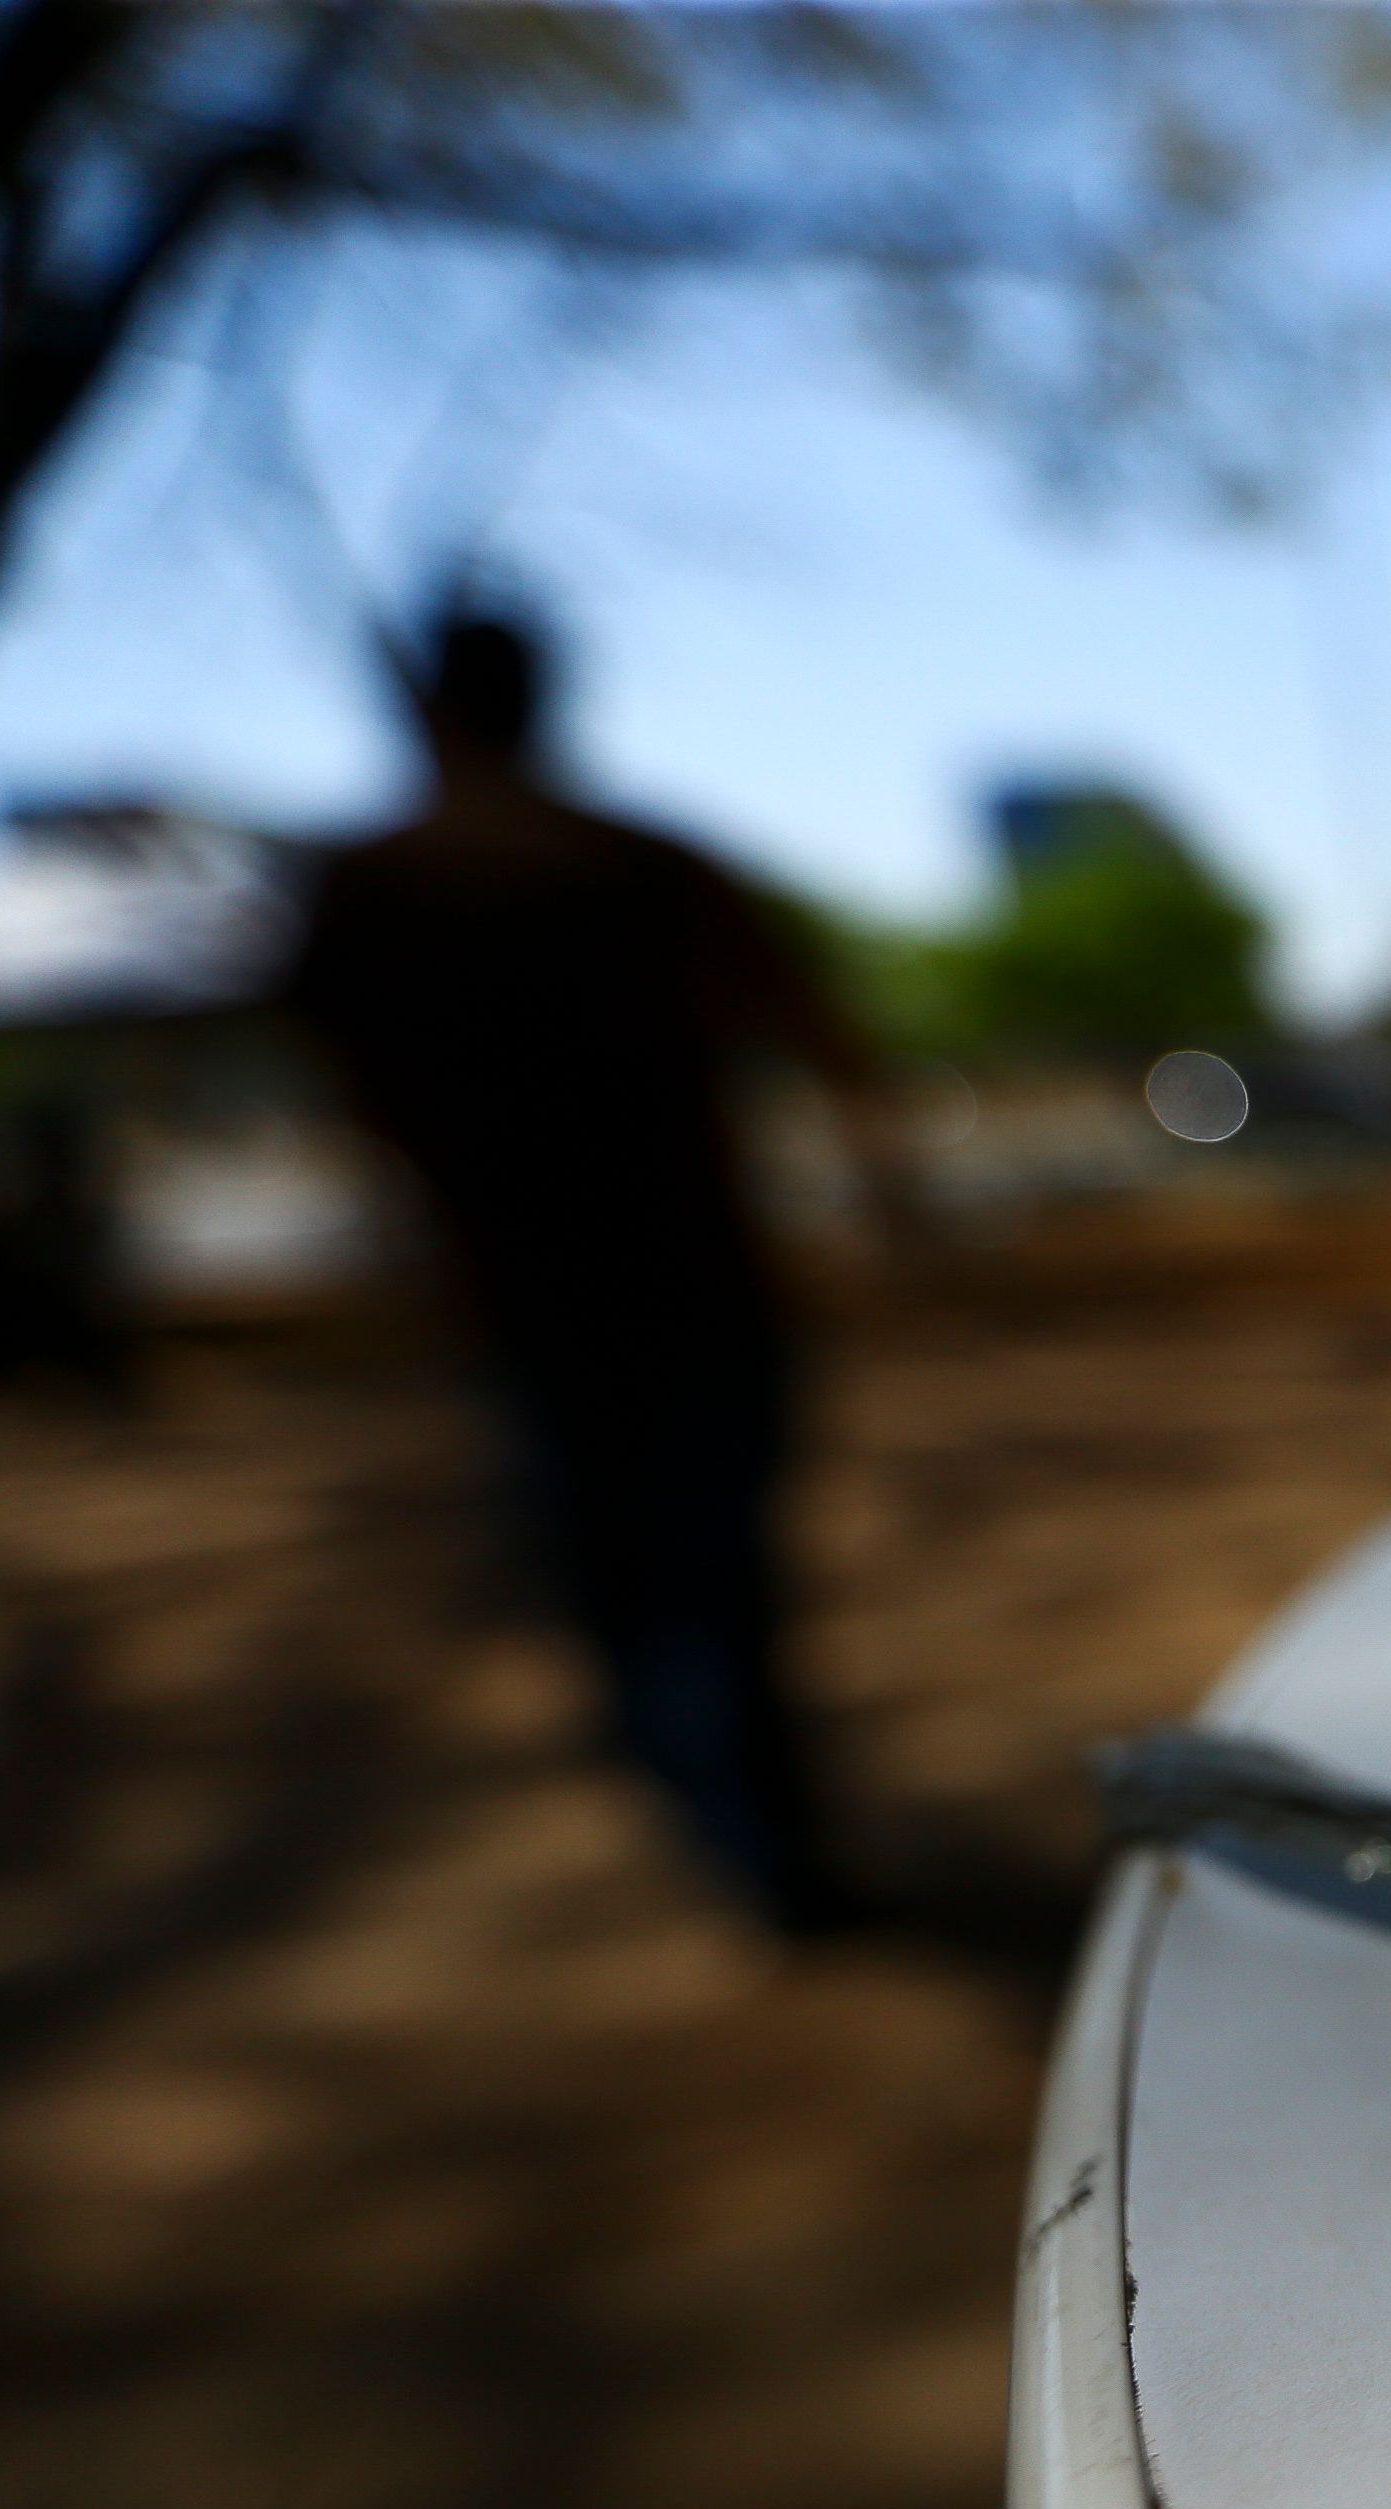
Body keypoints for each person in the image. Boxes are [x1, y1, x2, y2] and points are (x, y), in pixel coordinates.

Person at [282, 602, 914, 1934]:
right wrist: (885, 1196)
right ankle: (751, 1828)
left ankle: (731, 1818)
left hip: (547, 1307)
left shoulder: (373, 890)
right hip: (689, 1288)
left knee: (638, 1579)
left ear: (426, 709)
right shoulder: (636, 865)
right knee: (706, 1581)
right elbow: (829, 1043)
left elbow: (354, 1108)